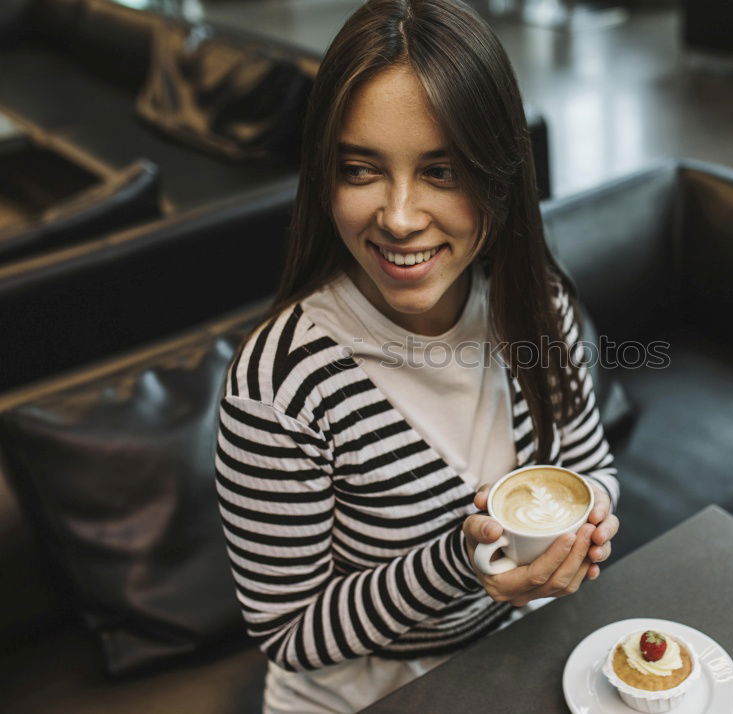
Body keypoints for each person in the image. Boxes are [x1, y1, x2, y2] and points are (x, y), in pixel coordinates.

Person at [214, 0, 620, 711]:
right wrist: (462, 562)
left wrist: (588, 528)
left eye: (441, 171)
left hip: (506, 656)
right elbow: (290, 632)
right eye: (361, 169)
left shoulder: (538, 305)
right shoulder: (278, 387)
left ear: (499, 176)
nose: (399, 217)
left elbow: (590, 468)